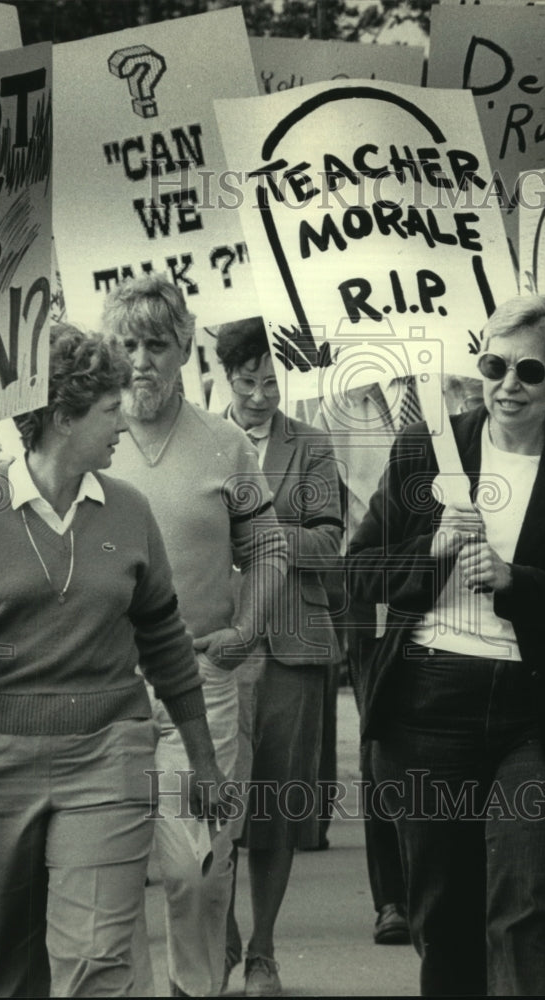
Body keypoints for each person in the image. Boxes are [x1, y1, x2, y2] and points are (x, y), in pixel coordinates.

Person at [0, 323, 225, 998]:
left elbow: (164, 639)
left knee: (98, 958)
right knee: (10, 968)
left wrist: (203, 759)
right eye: (107, 410)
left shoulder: (128, 510)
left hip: (106, 754)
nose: (122, 426)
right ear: (64, 417)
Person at [346, 293, 545, 996]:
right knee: (442, 917)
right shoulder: (427, 448)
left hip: (540, 714)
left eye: (529, 371)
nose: (507, 384)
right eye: (492, 364)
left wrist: (516, 581)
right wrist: (433, 547)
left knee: (528, 905)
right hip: (428, 706)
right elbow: (360, 572)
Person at [102, 276, 287, 997]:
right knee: (109, 868)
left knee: (196, 867)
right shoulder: (87, 432)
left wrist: (246, 627)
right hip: (104, 684)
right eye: (126, 345)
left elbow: (267, 547)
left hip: (202, 684)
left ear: (185, 347)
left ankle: (195, 987)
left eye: (156, 344)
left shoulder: (224, 443)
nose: (141, 360)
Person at [214, 317, 343, 996]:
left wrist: (259, 536)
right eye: (247, 381)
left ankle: (262, 949)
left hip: (291, 648)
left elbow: (330, 542)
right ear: (224, 378)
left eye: (271, 381)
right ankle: (222, 935)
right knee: (216, 808)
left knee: (278, 805)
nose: (261, 395)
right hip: (220, 647)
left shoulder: (311, 445)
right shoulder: (201, 442)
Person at [310, 376, 419, 945]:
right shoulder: (335, 403)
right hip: (370, 586)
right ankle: (392, 897)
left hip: (449, 584)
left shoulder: (458, 387)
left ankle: (439, 879)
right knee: (381, 735)